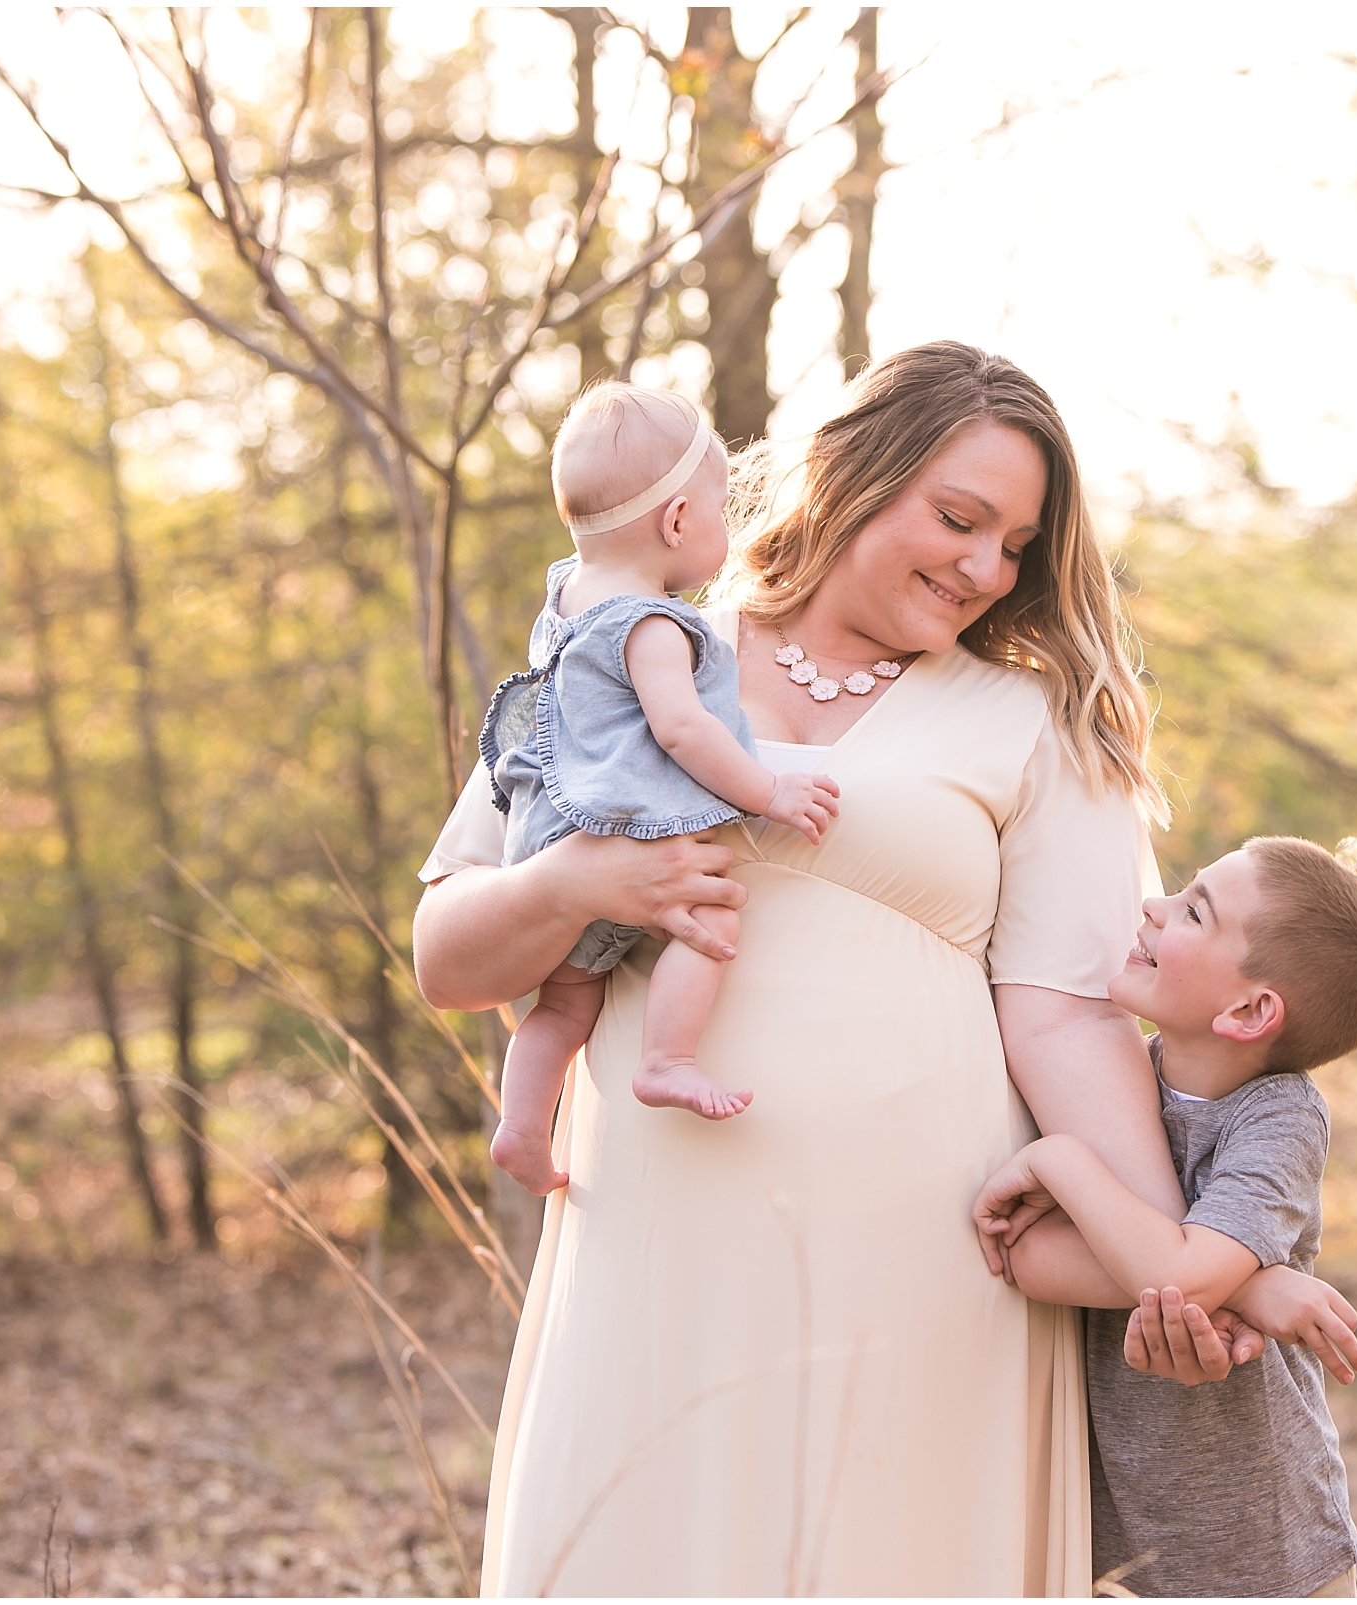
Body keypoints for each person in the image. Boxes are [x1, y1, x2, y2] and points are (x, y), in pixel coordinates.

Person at [413, 341, 1183, 1595]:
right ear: (849, 475)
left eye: (1016, 547)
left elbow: (1071, 1022)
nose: (984, 568)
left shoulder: (1034, 724)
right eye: (957, 517)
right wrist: (573, 885)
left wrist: (1178, 1262)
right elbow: (446, 956)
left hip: (935, 1268)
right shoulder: (626, 652)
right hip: (660, 1245)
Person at [973, 836, 1357, 1598]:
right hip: (1126, 1540)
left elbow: (1175, 1274)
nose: (1153, 905)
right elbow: (1027, 1255)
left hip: (1267, 1543)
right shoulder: (1107, 1087)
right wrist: (1250, 1287)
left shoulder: (1278, 1118)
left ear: (1248, 1009)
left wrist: (1062, 1163)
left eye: (1192, 910)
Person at [478, 383, 840, 1196]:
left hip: (547, 841)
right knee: (708, 916)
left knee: (563, 1008)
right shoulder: (652, 624)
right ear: (678, 522)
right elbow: (683, 729)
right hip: (628, 829)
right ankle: (668, 1058)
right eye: (718, 510)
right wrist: (767, 790)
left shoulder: (566, 597)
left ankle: (521, 1127)